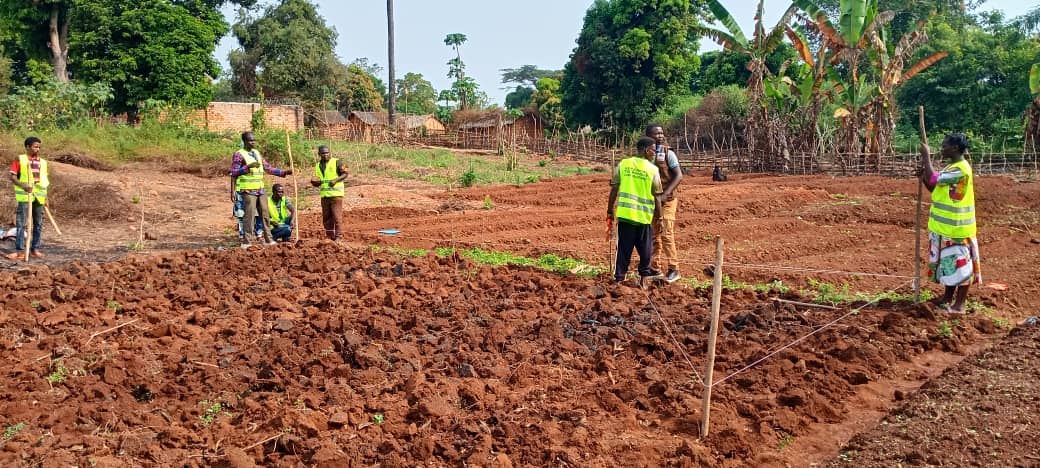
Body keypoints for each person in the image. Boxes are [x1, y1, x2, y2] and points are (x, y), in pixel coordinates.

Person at [920, 132, 981, 314]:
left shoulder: (961, 169)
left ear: (954, 148)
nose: (942, 148)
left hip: (957, 228)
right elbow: (933, 186)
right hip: (944, 227)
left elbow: (934, 178)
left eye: (945, 145)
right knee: (949, 265)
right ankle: (947, 298)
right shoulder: (951, 167)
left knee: (961, 267)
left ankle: (959, 305)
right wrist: (924, 174)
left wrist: (926, 157)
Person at [608, 136, 663, 286]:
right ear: (646, 150)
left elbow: (614, 189)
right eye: (653, 150)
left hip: (626, 215)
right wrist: (660, 219)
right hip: (644, 217)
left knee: (624, 249)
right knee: (646, 250)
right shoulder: (653, 170)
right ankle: (644, 279)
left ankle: (619, 278)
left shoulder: (623, 164)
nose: (654, 153)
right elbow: (657, 196)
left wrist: (609, 211)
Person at [229, 131, 292, 247]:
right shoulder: (239, 154)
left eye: (254, 140)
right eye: (250, 140)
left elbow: (268, 168)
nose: (253, 142)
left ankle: (268, 239)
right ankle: (246, 242)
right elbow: (233, 172)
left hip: (260, 189)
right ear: (244, 141)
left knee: (265, 214)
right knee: (250, 215)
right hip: (248, 190)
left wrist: (284, 172)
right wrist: (247, 168)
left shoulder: (256, 153)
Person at [645, 124, 684, 283]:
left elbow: (678, 176)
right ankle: (655, 268)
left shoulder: (669, 154)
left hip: (667, 201)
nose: (660, 136)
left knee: (667, 232)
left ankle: (674, 269)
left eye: (661, 133)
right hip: (651, 201)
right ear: (648, 136)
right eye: (656, 134)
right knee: (654, 235)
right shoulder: (645, 156)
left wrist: (665, 193)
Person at [7, 136, 48, 260]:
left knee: (38, 224)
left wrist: (46, 198)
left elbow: (45, 181)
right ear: (27, 147)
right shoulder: (20, 159)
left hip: (39, 197)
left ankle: (35, 249)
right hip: (25, 196)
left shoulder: (43, 162)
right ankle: (20, 251)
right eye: (35, 147)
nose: (38, 149)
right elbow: (12, 177)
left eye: (39, 147)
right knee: (21, 224)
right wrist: (23, 186)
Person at [309, 145, 348, 240]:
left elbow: (345, 174)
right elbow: (320, 180)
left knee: (336, 217)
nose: (325, 155)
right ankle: (330, 236)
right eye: (323, 153)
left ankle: (339, 237)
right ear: (319, 154)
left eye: (327, 153)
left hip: (336, 195)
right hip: (325, 195)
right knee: (326, 218)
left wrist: (335, 180)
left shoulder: (336, 162)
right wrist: (315, 183)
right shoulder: (318, 165)